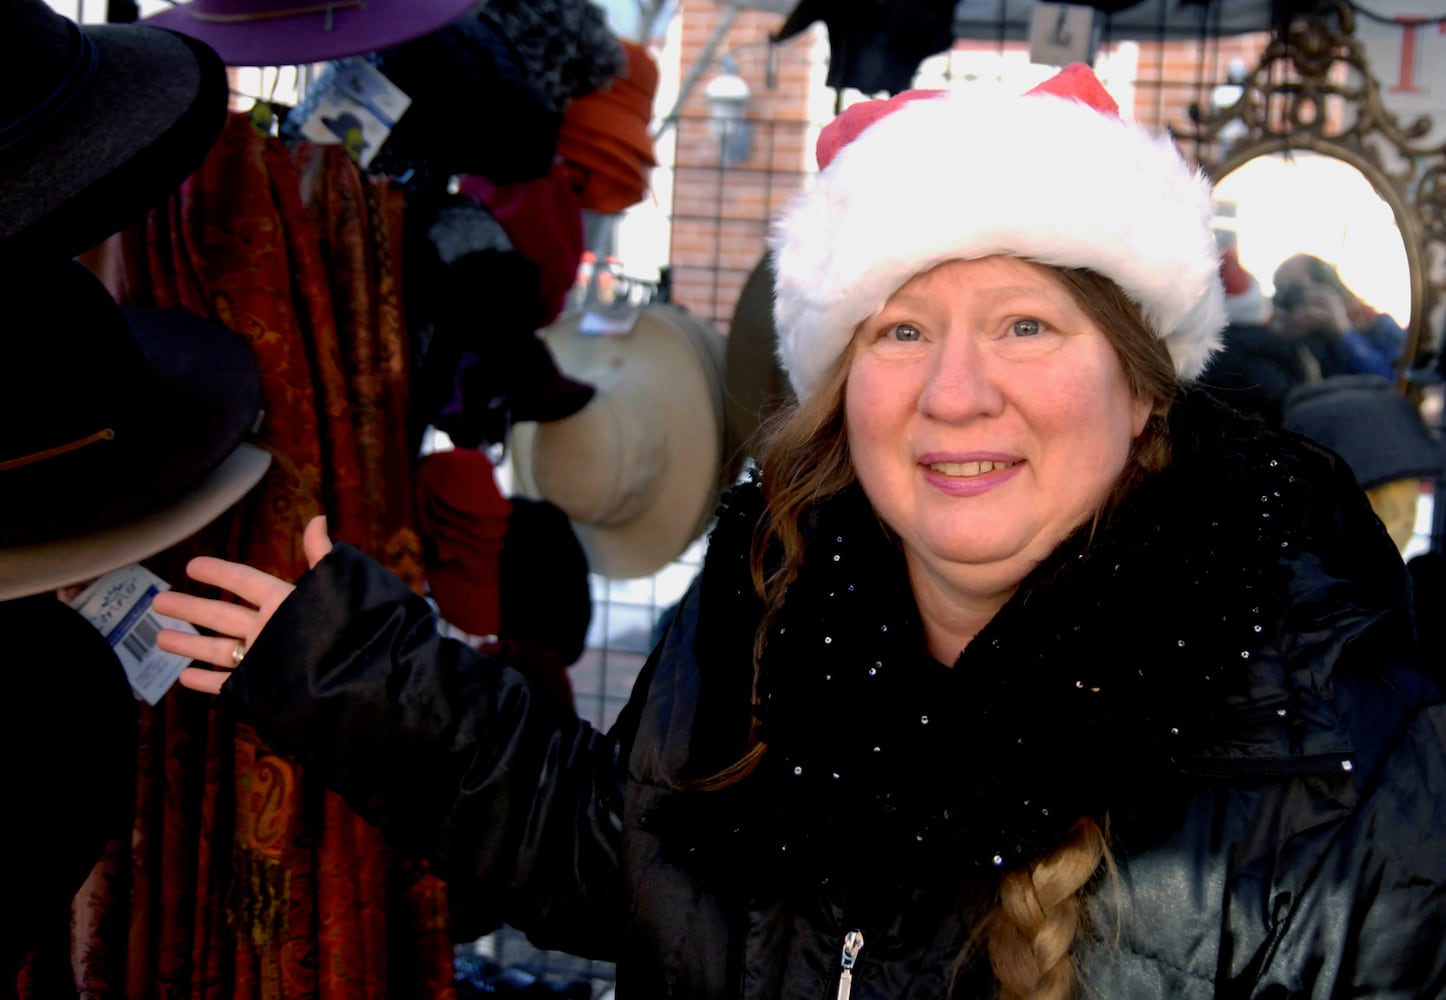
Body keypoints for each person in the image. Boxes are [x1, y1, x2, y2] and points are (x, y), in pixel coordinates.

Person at [153, 64, 1446, 998]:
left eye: (1024, 324)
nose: (952, 393)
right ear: (842, 386)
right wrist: (352, 665)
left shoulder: (1334, 762)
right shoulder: (768, 614)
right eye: (898, 329)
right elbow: (622, 858)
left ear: (1143, 383)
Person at [1271, 253, 1407, 379]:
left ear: (1326, 293)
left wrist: (1344, 333)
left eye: (1294, 294)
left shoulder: (1377, 326)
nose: (1286, 306)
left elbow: (1394, 381)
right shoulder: (1288, 342)